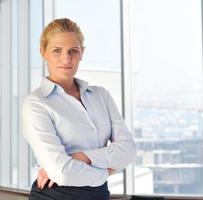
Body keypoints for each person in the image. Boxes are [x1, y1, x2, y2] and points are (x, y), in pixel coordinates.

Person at [22, 18, 136, 200]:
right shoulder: (36, 104)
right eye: (57, 50)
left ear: (82, 52)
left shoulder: (101, 96)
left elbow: (129, 150)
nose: (66, 59)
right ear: (43, 52)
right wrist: (107, 170)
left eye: (73, 51)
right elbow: (63, 173)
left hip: (98, 195)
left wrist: (83, 157)